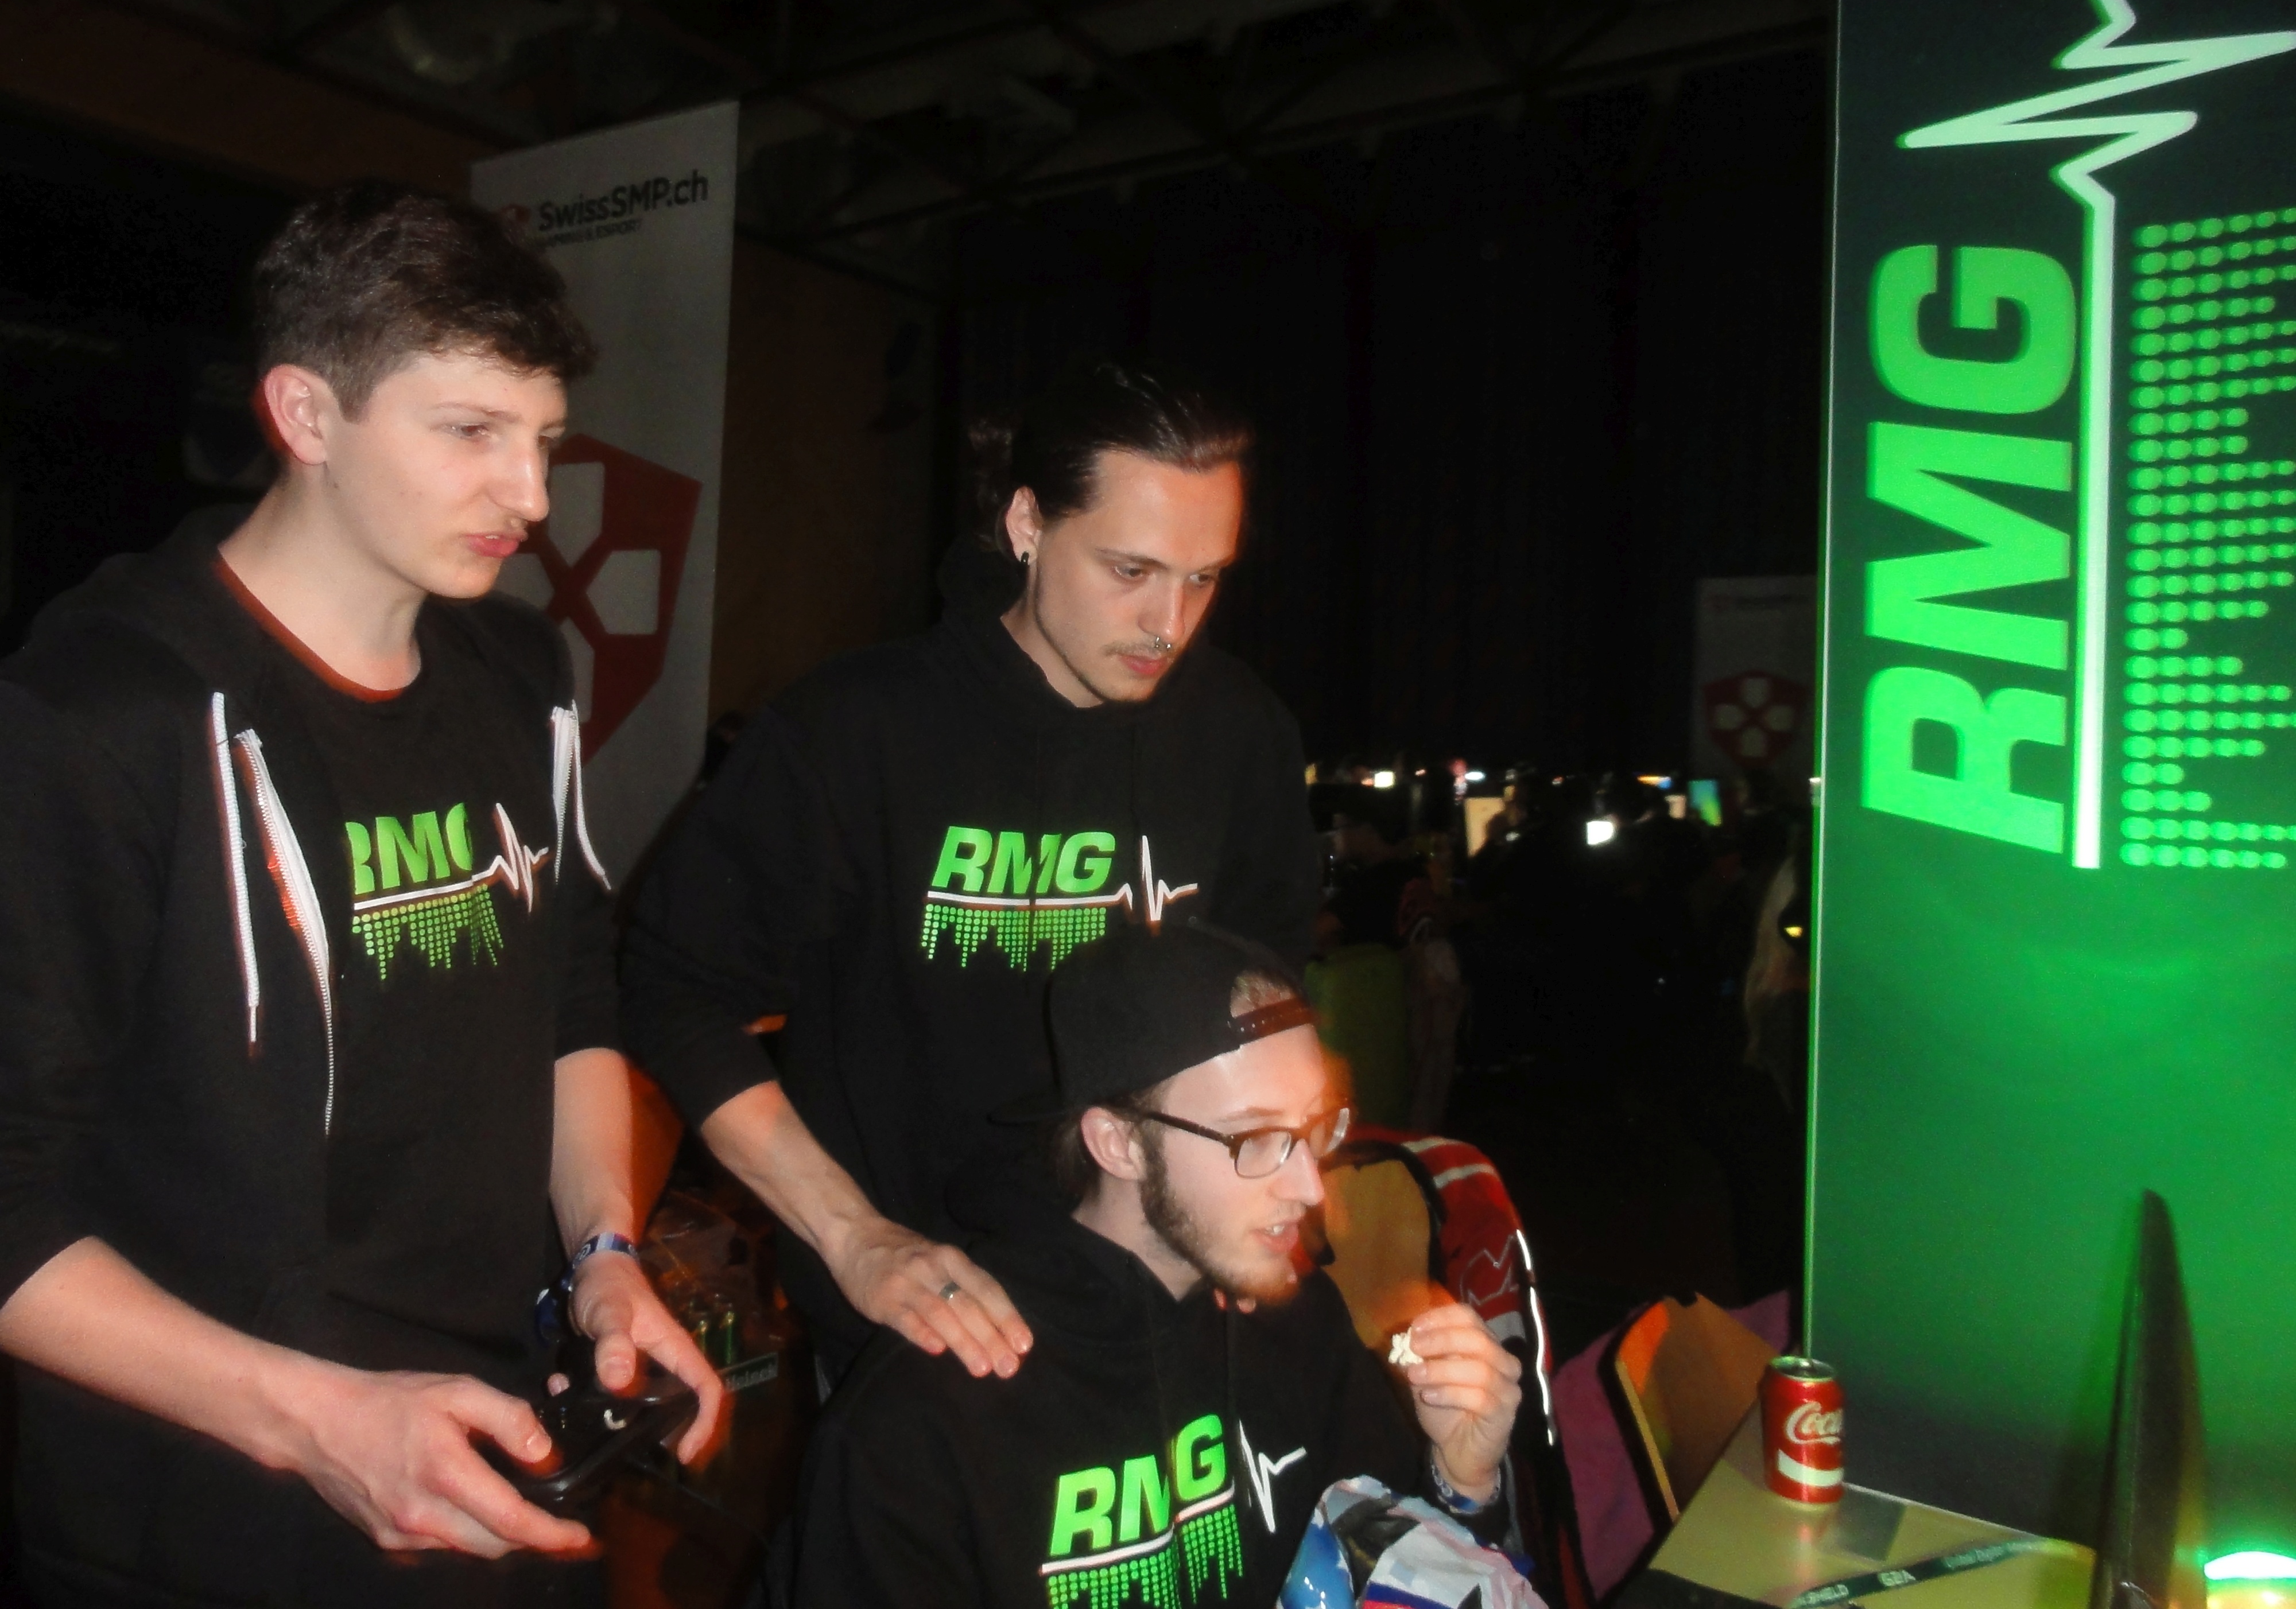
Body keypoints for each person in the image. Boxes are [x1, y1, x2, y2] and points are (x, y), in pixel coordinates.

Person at [0, 182, 722, 1606]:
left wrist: (604, 1256)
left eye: (544, 440)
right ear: (306, 414)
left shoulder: (521, 676)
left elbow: (572, 1001)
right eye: (470, 433)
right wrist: (318, 1421)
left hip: (500, 1439)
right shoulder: (96, 717)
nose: (531, 497)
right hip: (214, 1512)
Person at [622, 359, 1322, 1382]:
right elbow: (675, 993)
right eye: (1130, 570)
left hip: (1165, 1308)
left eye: (1203, 578)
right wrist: (853, 1235)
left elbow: (1267, 1008)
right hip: (921, 1332)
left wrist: (1255, 1203)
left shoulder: (1240, 735)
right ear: (1028, 524)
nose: (1168, 624)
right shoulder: (854, 733)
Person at [772, 920, 1524, 1607]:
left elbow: (1395, 1576)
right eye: (1256, 1139)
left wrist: (1459, 1477)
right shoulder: (925, 1417)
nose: (1309, 1187)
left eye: (1316, 1128)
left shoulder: (1302, 1327)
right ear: (1119, 1144)